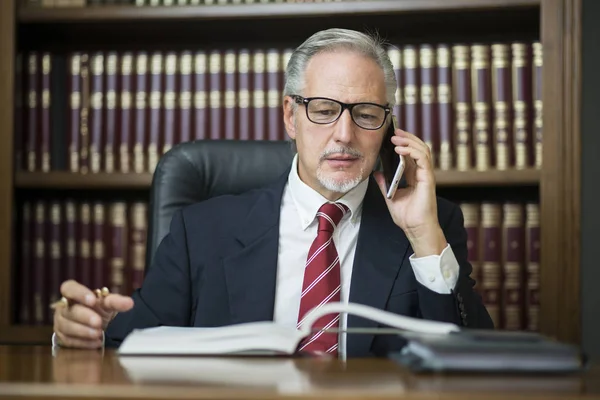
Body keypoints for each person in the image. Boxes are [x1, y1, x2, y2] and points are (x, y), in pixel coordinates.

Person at [52, 28, 493, 357]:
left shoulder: (431, 227)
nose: (344, 134)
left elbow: (470, 362)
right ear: (290, 115)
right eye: (323, 111)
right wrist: (81, 330)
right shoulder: (202, 231)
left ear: (388, 127)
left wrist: (423, 238)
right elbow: (124, 343)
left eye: (365, 114)